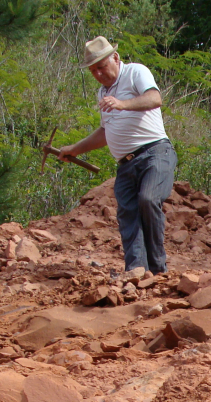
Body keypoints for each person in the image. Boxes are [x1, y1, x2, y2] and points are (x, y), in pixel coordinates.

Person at [58, 36, 176, 274]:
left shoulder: (135, 72)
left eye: (102, 67)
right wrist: (74, 149)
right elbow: (105, 131)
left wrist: (122, 104)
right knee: (128, 215)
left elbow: (155, 99)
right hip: (125, 165)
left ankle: (158, 270)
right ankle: (135, 271)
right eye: (93, 71)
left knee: (148, 199)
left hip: (155, 153)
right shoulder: (103, 93)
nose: (99, 74)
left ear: (115, 58)